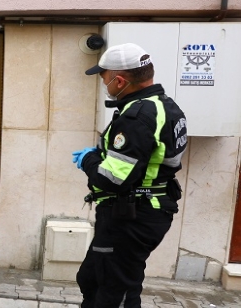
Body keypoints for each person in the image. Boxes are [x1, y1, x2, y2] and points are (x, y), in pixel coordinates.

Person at [72, 43, 187, 307]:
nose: (104, 85)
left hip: (131, 217)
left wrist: (88, 159)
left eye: (104, 79)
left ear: (120, 80)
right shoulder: (164, 106)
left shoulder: (137, 117)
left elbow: (111, 180)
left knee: (114, 292)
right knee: (91, 278)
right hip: (140, 211)